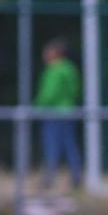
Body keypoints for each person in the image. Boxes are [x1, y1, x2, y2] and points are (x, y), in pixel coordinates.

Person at [35, 38, 82, 191]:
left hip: (54, 113)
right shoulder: (70, 69)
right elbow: (75, 90)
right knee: (70, 146)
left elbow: (49, 94)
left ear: (55, 53)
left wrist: (36, 107)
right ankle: (76, 179)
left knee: (52, 146)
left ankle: (48, 180)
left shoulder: (55, 70)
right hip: (69, 111)